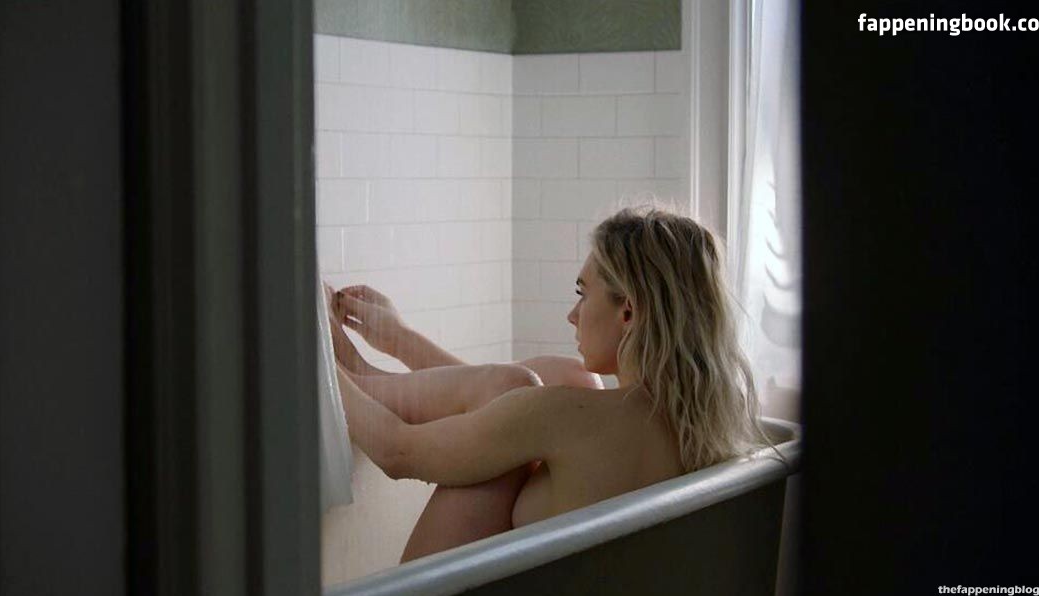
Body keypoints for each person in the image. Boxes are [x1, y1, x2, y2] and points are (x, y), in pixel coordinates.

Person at [328, 206, 768, 563]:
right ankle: (366, 374)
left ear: (628, 312)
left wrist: (320, 359)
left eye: (583, 293)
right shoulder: (709, 425)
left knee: (517, 384)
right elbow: (505, 413)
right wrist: (399, 338)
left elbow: (397, 451)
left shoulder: (564, 419)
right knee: (560, 376)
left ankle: (355, 372)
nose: (573, 315)